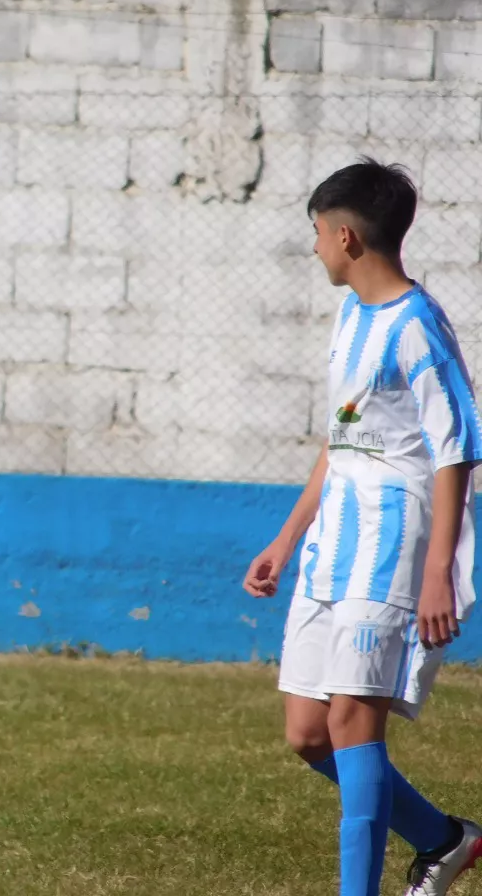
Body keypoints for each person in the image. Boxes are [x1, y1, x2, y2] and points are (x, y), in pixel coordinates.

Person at [244, 157, 482, 896]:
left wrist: (439, 569)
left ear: (345, 236)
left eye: (317, 232)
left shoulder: (417, 327)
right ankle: (447, 840)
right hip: (330, 544)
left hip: (393, 546)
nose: (314, 247)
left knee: (353, 720)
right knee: (308, 733)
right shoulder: (352, 312)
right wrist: (287, 539)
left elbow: (458, 449)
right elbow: (341, 435)